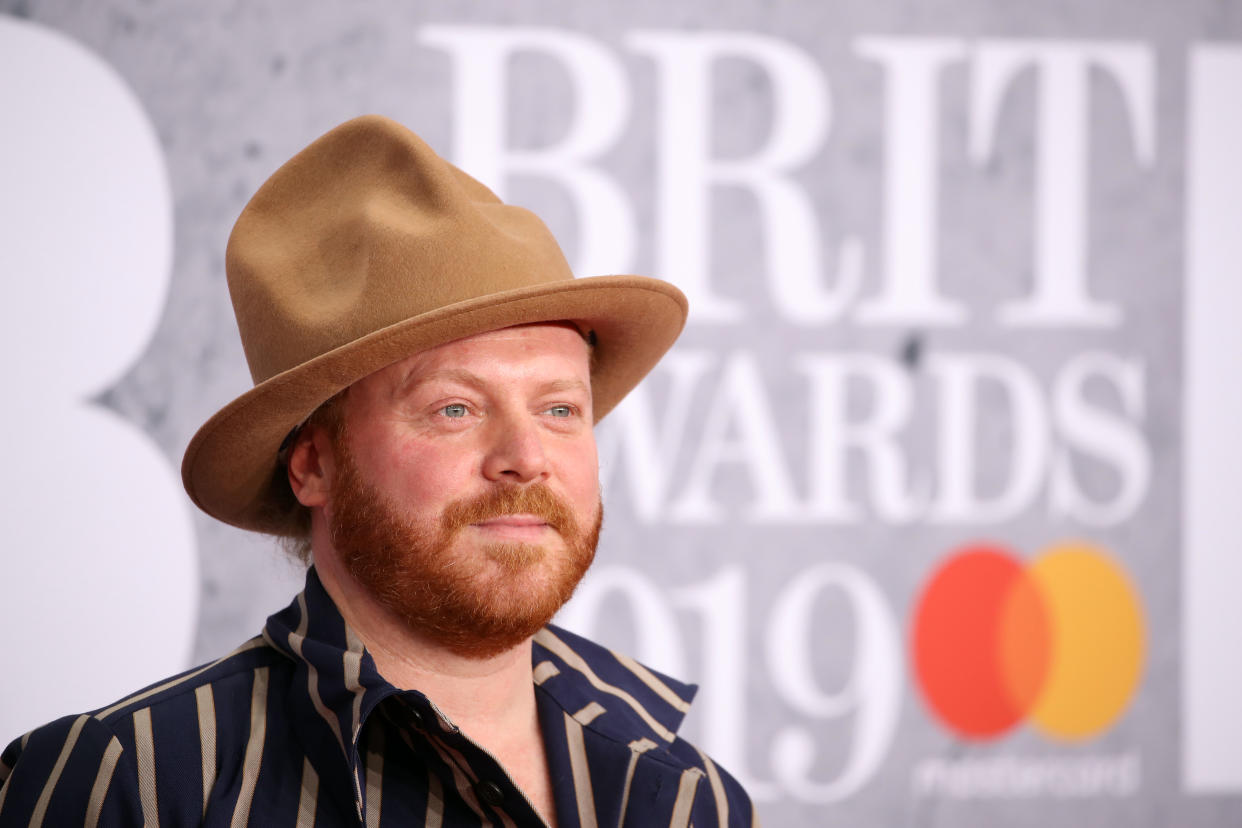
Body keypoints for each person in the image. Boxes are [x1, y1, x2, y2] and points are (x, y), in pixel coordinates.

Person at [0, 115, 757, 827]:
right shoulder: (133, 782)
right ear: (313, 466)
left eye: (560, 410)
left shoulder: (694, 798)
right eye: (455, 409)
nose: (526, 458)